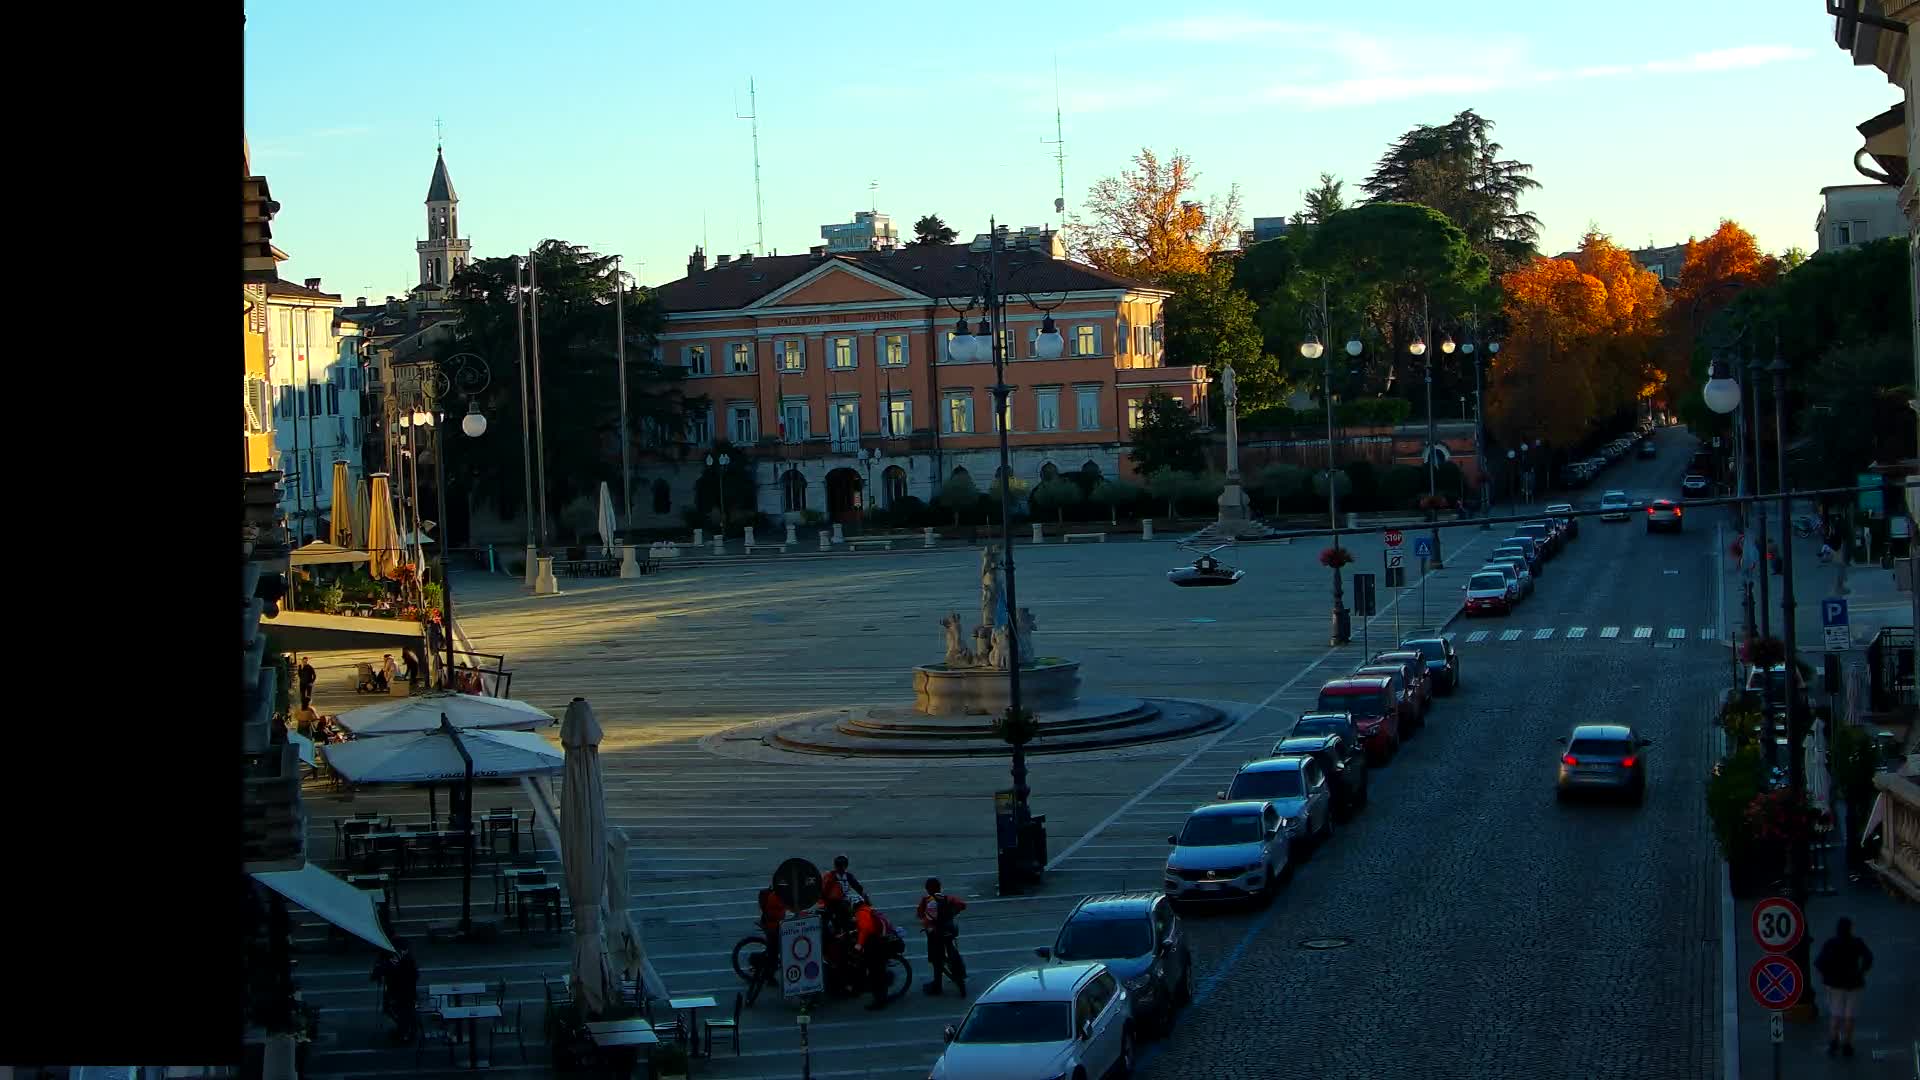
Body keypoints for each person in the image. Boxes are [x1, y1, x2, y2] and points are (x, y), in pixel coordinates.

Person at [1814, 917, 1873, 1057]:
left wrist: (1827, 977)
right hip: (1854, 983)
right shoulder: (1857, 942)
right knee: (1849, 1016)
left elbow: (1819, 962)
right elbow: (1868, 957)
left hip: (1835, 984)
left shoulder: (1831, 943)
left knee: (1836, 1014)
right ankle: (1847, 1043)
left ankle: (1834, 1041)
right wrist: (1861, 971)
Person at [916, 877, 968, 996]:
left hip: (935, 933)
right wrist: (953, 913)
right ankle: (960, 973)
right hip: (949, 931)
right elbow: (962, 905)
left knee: (936, 959)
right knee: (952, 950)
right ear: (940, 888)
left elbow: (920, 914)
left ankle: (937, 985)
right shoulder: (948, 898)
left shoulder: (926, 900)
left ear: (927, 889)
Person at [851, 899, 899, 1011]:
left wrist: (859, 945)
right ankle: (882, 996)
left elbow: (865, 929)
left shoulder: (861, 913)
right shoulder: (869, 909)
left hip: (874, 944)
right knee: (879, 971)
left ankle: (879, 1001)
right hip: (881, 942)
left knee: (875, 973)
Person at [371, 938, 420, 1042]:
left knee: (400, 1010)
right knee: (397, 1010)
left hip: (401, 990)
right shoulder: (402, 955)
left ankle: (405, 1032)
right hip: (401, 990)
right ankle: (405, 1030)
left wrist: (380, 971)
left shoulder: (399, 957)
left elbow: (383, 969)